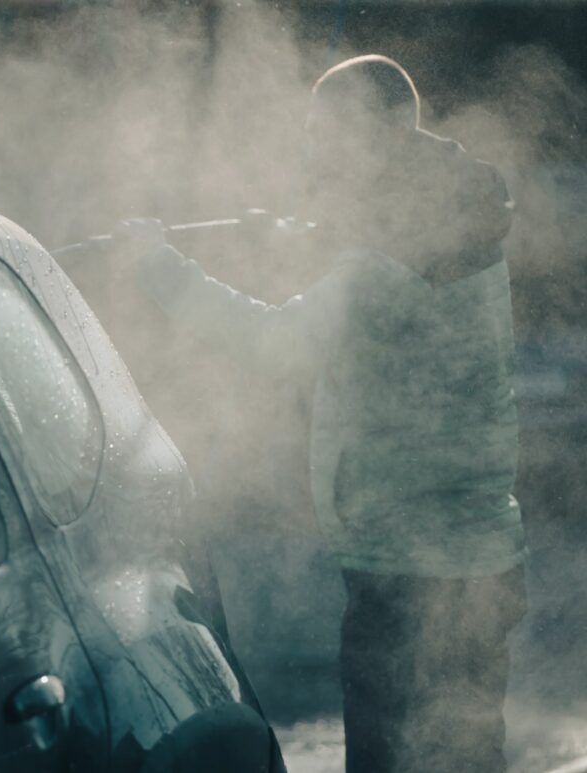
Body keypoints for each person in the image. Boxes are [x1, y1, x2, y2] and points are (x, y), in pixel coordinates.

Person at [121, 55, 527, 772]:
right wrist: (301, 232)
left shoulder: (387, 260)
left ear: (392, 127)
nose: (320, 149)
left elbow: (279, 342)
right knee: (466, 754)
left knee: (388, 757)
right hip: (474, 557)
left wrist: (161, 266)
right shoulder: (450, 215)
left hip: (406, 568)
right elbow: (378, 290)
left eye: (335, 131)